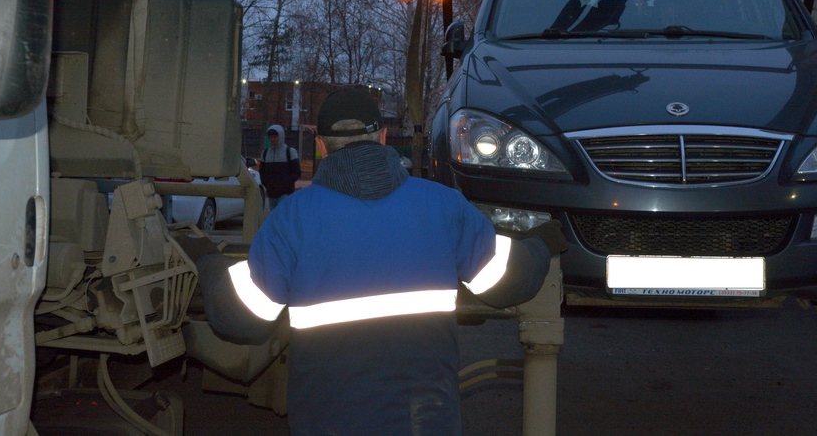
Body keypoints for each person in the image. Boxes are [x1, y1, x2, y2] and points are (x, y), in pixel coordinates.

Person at [195, 87, 565, 436]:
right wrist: (541, 244)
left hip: (328, 423)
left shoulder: (292, 219)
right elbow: (509, 281)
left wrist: (206, 261)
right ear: (384, 137)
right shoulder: (442, 205)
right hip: (425, 420)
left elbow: (242, 319)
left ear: (322, 146)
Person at [260, 124, 301, 211]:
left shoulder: (290, 152)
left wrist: (285, 184)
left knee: (282, 216)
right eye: (270, 137)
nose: (272, 139)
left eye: (275, 137)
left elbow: (297, 172)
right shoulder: (265, 153)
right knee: (274, 218)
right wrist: (267, 184)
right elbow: (262, 171)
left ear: (280, 136)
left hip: (285, 193)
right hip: (271, 193)